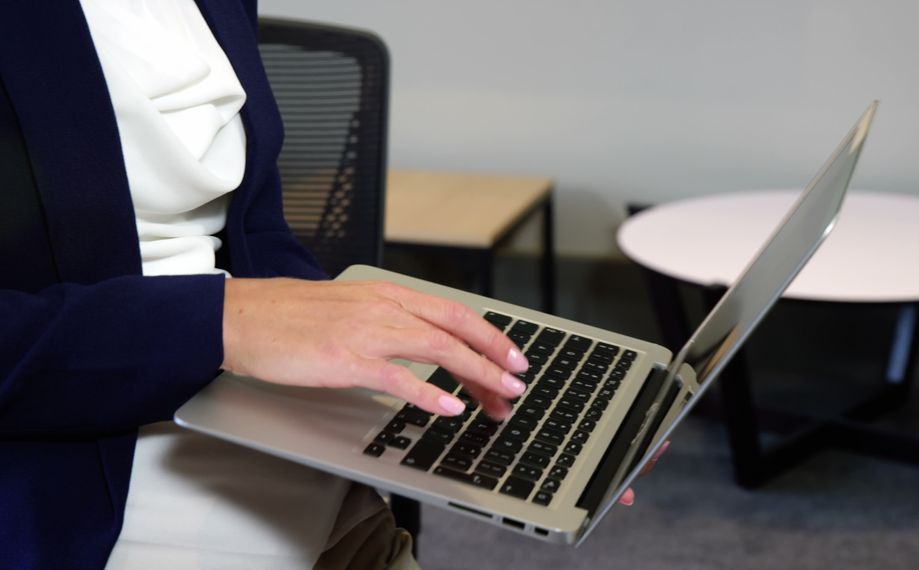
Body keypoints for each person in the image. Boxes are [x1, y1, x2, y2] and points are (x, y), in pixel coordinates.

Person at [1, 1, 650, 568]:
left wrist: (385, 350)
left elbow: (252, 225)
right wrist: (223, 323)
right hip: (76, 493)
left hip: (302, 479)